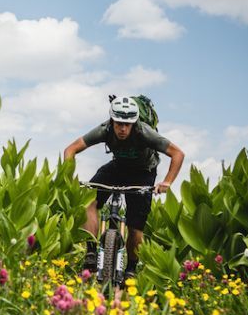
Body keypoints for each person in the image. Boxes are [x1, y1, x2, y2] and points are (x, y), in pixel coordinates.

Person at [63, 96, 184, 280]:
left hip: (143, 172)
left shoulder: (145, 133)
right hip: (118, 166)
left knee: (135, 226)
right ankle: (90, 251)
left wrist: (166, 182)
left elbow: (177, 153)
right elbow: (70, 149)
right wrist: (68, 176)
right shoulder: (104, 130)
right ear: (112, 120)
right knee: (90, 201)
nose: (122, 129)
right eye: (119, 123)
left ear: (134, 123)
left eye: (127, 125)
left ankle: (131, 268)